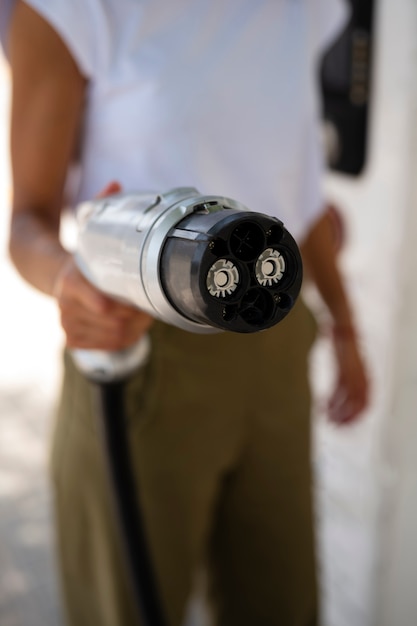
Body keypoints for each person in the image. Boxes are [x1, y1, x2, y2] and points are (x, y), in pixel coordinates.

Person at [0, 1, 369, 625]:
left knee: (282, 604)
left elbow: (297, 189)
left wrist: (344, 327)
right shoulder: (74, 10)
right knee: (127, 603)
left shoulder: (300, 8)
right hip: (142, 352)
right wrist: (70, 283)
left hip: (275, 336)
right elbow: (28, 220)